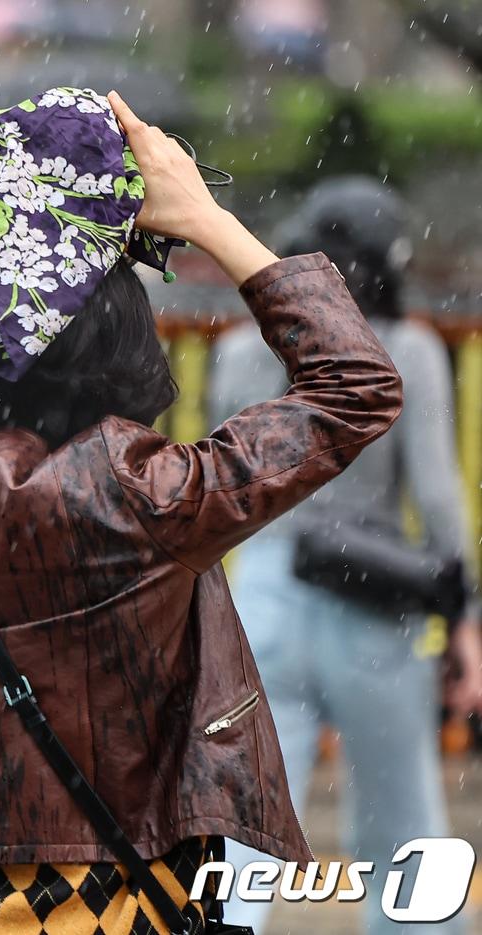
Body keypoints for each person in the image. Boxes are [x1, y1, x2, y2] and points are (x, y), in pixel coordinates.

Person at [0, 90, 403, 934]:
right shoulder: (146, 501)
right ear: (128, 355)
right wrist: (205, 218)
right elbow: (355, 386)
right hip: (114, 913)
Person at [210, 177, 482, 935]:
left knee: (245, 828)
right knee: (404, 826)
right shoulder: (411, 349)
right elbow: (436, 501)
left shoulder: (239, 350)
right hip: (373, 601)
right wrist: (465, 621)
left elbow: (218, 495)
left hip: (262, 595)